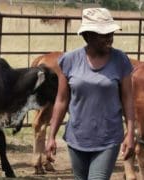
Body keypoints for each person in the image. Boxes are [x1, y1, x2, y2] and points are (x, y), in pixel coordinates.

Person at [45, 8, 135, 180]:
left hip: (108, 138)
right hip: (77, 138)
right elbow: (62, 100)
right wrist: (51, 137)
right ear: (87, 35)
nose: (109, 37)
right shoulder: (69, 60)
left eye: (111, 32)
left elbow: (128, 98)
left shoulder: (120, 60)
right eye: (103, 34)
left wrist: (130, 134)